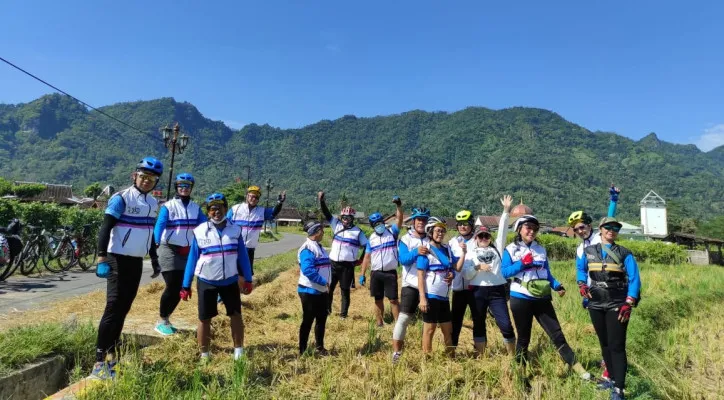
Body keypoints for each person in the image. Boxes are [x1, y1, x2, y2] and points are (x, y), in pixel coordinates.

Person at [91, 157, 163, 379]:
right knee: (113, 307)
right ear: (135, 176)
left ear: (156, 182)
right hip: (116, 259)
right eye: (143, 176)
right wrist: (101, 257)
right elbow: (105, 228)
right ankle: (99, 360)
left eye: (151, 178)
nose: (146, 181)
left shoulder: (153, 203)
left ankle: (113, 353)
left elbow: (150, 235)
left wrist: (154, 258)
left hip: (135, 262)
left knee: (124, 307)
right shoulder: (121, 198)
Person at [501, 214, 592, 380]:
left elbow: (546, 272)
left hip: (542, 297)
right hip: (520, 296)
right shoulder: (510, 249)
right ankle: (521, 376)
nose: (532, 231)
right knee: (523, 338)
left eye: (535, 229)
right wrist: (522, 263)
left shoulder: (540, 249)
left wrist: (556, 285)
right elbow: (504, 272)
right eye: (528, 227)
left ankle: (581, 372)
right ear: (519, 229)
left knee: (557, 334)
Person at [180, 193, 253, 362]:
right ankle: (205, 354)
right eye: (212, 209)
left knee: (235, 315)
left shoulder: (235, 230)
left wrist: (248, 279)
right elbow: (192, 260)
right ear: (208, 212)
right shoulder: (199, 231)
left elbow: (243, 257)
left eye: (219, 208)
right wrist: (185, 285)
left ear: (226, 209)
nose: (216, 211)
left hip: (230, 281)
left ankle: (239, 351)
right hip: (206, 281)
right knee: (204, 318)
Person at [577, 217, 641, 400]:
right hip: (595, 303)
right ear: (601, 229)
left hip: (617, 304)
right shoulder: (588, 251)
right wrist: (582, 284)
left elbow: (635, 278)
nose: (611, 230)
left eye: (615, 228)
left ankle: (619, 389)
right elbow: (581, 269)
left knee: (617, 346)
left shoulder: (624, 253)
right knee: (604, 343)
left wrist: (628, 303)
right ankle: (611, 379)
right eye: (608, 227)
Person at [568, 184, 621, 379]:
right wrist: (582, 287)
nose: (580, 231)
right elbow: (580, 270)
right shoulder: (581, 250)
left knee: (611, 332)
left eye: (582, 226)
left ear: (590, 225)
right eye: (576, 229)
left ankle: (612, 368)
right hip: (594, 292)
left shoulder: (601, 236)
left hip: (612, 290)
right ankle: (607, 362)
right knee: (601, 332)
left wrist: (613, 200)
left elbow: (609, 218)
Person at [459, 195, 516, 356]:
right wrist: (477, 267)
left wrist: (506, 211)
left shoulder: (496, 247)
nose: (484, 238)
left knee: (505, 324)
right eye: (480, 236)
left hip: (497, 291)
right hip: (477, 291)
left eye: (486, 236)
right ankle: (480, 356)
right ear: (476, 238)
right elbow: (466, 275)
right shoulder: (470, 252)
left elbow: (503, 230)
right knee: (479, 323)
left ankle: (514, 357)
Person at [152, 173, 206, 336]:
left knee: (183, 286)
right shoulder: (168, 206)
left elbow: (205, 224)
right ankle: (161, 319)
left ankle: (167, 319)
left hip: (186, 252)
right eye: (181, 185)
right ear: (176, 187)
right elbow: (160, 225)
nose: (184, 188)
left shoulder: (195, 208)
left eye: (187, 186)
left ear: (191, 188)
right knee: (172, 285)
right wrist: (154, 244)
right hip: (168, 249)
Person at [417, 217, 463, 357]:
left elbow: (456, 268)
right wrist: (423, 298)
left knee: (447, 329)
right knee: (429, 329)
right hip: (430, 295)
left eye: (443, 231)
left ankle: (451, 358)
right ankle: (427, 359)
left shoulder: (447, 250)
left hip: (444, 296)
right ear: (430, 232)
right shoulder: (426, 250)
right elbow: (420, 275)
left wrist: (453, 274)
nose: (441, 233)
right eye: (437, 231)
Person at [317, 191, 367, 319]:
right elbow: (327, 213)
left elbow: (367, 246)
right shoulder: (336, 225)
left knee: (345, 291)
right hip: (332, 263)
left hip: (347, 266)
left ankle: (343, 315)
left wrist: (360, 260)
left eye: (348, 218)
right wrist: (322, 201)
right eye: (344, 217)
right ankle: (327, 310)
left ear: (352, 219)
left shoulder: (358, 232)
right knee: (329, 288)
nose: (345, 220)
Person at [391, 206, 431, 363]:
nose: (421, 222)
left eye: (424, 219)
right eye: (419, 219)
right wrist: (416, 251)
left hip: (429, 286)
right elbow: (403, 260)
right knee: (403, 319)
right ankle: (397, 353)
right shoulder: (405, 239)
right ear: (414, 221)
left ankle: (427, 353)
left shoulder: (431, 237)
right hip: (411, 285)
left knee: (430, 323)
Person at [358, 196, 404, 327]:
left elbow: (399, 220)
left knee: (394, 300)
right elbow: (367, 257)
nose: (379, 226)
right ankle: (379, 324)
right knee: (378, 300)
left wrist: (398, 206)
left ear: (383, 223)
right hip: (376, 273)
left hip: (390, 273)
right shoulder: (371, 239)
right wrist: (362, 274)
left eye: (380, 223)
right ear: (373, 226)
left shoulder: (392, 232)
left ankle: (398, 325)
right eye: (376, 224)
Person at [228, 185, 286, 277]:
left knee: (246, 275)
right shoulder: (235, 209)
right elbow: (226, 225)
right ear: (247, 196)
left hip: (249, 249)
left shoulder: (261, 211)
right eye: (251, 196)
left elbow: (273, 212)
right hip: (235, 248)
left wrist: (279, 203)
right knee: (232, 273)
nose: (253, 199)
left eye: (256, 197)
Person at [297, 220, 332, 355]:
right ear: (316, 232)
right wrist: (323, 281)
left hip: (321, 291)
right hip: (309, 290)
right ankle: (302, 350)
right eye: (322, 230)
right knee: (308, 320)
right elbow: (308, 270)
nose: (323, 233)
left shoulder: (319, 247)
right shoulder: (307, 249)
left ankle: (319, 347)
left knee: (321, 319)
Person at [448, 209, 476, 349]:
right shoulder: (453, 242)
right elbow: (449, 263)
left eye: (465, 223)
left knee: (478, 319)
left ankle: (479, 349)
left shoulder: (478, 240)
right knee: (456, 320)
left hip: (475, 287)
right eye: (460, 224)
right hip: (458, 288)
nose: (462, 227)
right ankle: (452, 348)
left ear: (471, 224)